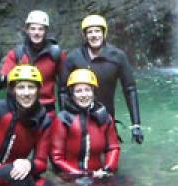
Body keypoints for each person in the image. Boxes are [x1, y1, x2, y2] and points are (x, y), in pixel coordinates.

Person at [60, 15, 144, 144]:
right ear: (84, 35)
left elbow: (130, 89)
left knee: (111, 160)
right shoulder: (73, 58)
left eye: (97, 31)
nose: (94, 35)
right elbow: (63, 91)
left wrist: (136, 124)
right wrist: (64, 121)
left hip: (106, 120)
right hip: (78, 121)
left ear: (104, 33)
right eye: (90, 32)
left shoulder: (118, 57)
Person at [51, 69, 120, 180]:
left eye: (87, 90)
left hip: (99, 174)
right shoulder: (63, 119)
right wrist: (83, 175)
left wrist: (108, 169)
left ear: (93, 92)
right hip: (71, 177)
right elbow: (57, 158)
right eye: (78, 91)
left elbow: (113, 148)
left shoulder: (105, 118)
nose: (84, 95)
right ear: (72, 94)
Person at [0, 10, 65, 115]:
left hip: (47, 109)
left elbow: (64, 87)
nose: (36, 33)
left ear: (46, 31)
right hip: (22, 109)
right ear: (27, 30)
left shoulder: (55, 54)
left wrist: (64, 114)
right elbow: (3, 79)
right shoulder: (17, 54)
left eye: (40, 29)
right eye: (33, 29)